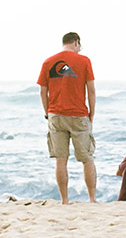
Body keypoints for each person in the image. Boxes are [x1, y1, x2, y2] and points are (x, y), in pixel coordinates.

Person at [37, 32, 97, 204]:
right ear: (76, 43)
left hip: (56, 115)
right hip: (78, 114)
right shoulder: (84, 61)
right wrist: (91, 114)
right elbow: (91, 90)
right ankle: (92, 199)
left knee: (61, 160)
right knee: (87, 158)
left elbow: (43, 91)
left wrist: (48, 113)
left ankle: (64, 201)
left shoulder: (48, 62)